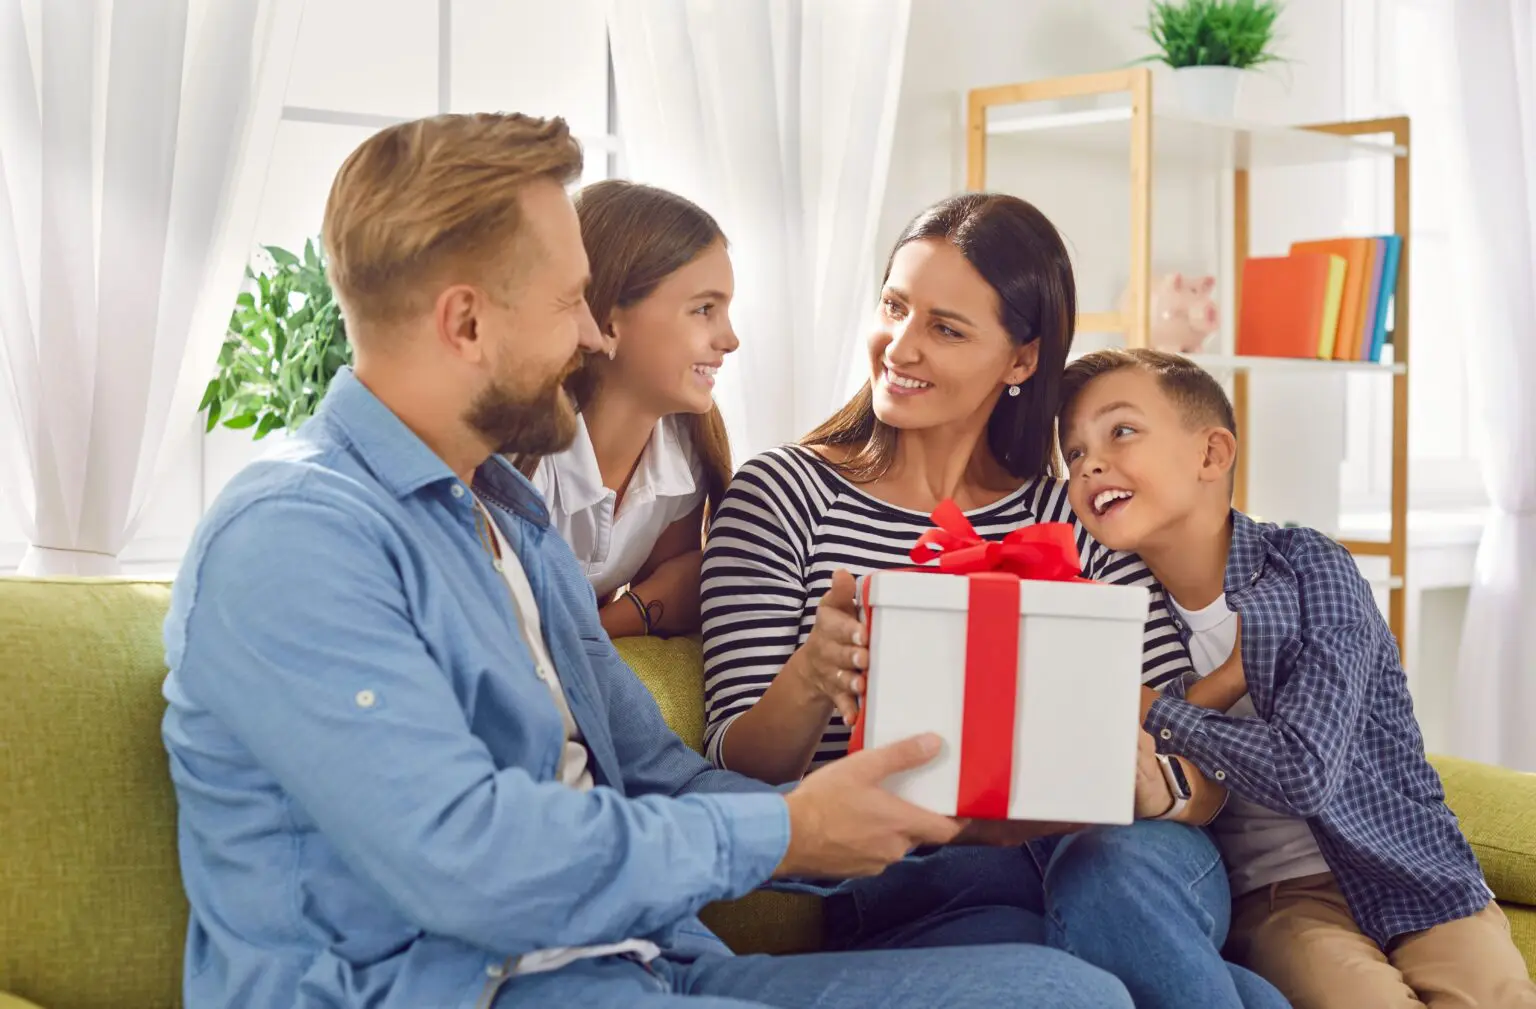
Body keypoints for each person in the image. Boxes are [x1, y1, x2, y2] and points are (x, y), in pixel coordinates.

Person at [159, 112, 1140, 1009]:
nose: (595, 334)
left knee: (1067, 995)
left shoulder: (507, 518)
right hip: (454, 988)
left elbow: (659, 775)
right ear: (466, 323)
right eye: (574, 302)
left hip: (637, 959)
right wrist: (787, 829)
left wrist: (860, 819)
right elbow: (466, 855)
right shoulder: (296, 536)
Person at [700, 193, 1287, 1009]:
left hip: (1123, 852)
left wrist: (1161, 787)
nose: (900, 346)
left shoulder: (1071, 514)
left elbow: (1203, 750)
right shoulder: (784, 493)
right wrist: (812, 674)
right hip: (927, 881)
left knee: (1108, 871)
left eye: (946, 327)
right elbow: (734, 760)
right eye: (895, 306)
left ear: (1021, 360)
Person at [1057, 347, 1536, 1009]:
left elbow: (1306, 768)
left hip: (1413, 867)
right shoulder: (1116, 614)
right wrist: (1220, 684)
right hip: (1280, 899)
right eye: (1074, 452)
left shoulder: (1311, 568)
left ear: (1211, 453)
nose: (1091, 463)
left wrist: (1161, 710)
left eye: (1121, 431)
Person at [522, 181, 737, 638]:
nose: (730, 340)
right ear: (606, 322)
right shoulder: (523, 456)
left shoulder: (686, 449)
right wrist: (632, 614)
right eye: (703, 310)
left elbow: (678, 585)